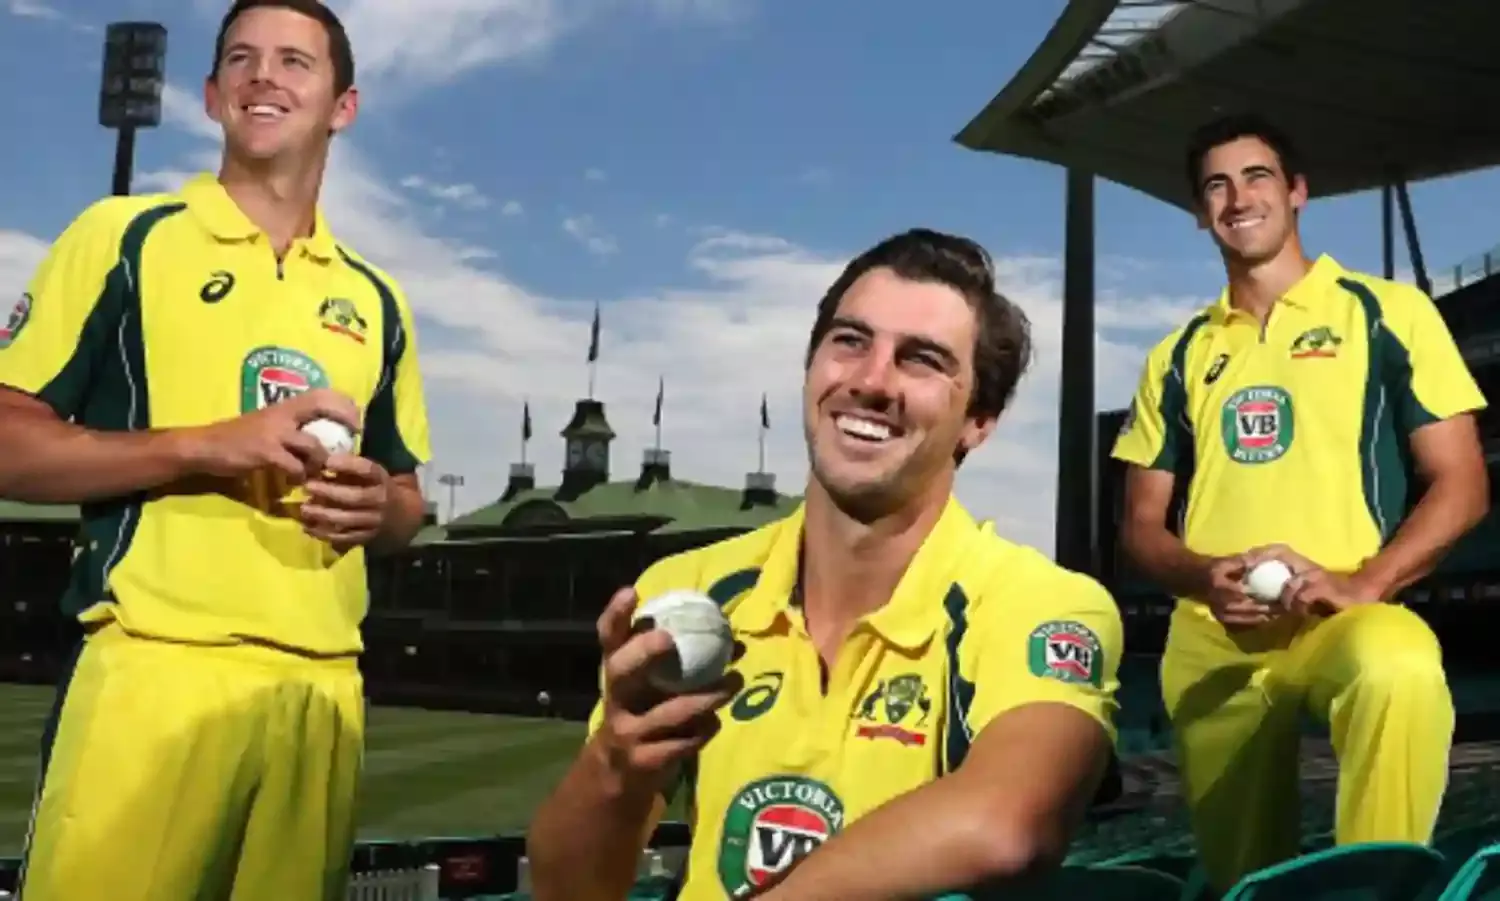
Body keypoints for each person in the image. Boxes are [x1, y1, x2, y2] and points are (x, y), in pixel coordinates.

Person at [527, 228, 1124, 900]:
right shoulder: (689, 590)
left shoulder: (1041, 602)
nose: (872, 380)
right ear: (811, 367)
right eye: (850, 341)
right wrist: (615, 763)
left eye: (921, 360)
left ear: (977, 420)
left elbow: (1008, 822)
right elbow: (565, 892)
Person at [0, 1, 432, 898]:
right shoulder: (124, 238)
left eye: (293, 62)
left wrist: (377, 508)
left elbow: (407, 499)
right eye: (241, 58)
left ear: (342, 106)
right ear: (211, 95)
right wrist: (202, 446)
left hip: (322, 689)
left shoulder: (377, 297)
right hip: (154, 667)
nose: (263, 76)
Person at [1113, 113, 1489, 893]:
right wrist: (1202, 575)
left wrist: (1364, 583)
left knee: (1399, 667)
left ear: (1296, 192)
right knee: (1242, 879)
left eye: (1256, 177)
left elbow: (1463, 483)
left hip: (1338, 614)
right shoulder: (1176, 353)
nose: (1237, 197)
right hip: (1213, 642)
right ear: (1199, 211)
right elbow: (1140, 527)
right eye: (1216, 184)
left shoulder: (1387, 312)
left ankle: (1377, 889)